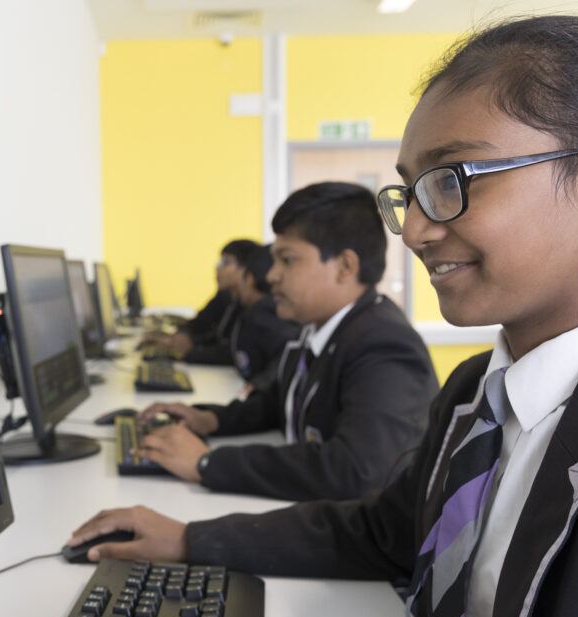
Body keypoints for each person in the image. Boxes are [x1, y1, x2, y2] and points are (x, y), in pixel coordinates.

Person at [69, 15, 578, 617]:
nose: (415, 230)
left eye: (452, 179)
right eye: (411, 193)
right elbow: (381, 531)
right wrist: (190, 539)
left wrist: (206, 465)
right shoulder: (474, 394)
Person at [135, 182, 438, 501]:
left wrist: (208, 463)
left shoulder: (383, 345)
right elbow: (280, 403)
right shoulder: (318, 328)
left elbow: (355, 471)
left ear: (344, 267)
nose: (272, 276)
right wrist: (211, 420)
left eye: (287, 260)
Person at [143, 239, 255, 363]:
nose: (217, 267)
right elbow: (205, 327)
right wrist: (178, 340)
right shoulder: (228, 298)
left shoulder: (252, 307)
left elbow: (232, 352)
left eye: (225, 262)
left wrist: (191, 353)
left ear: (245, 269)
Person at [223, 242, 300, 391]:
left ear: (249, 279)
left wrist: (258, 384)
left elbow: (286, 353)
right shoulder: (251, 309)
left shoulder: (263, 312)